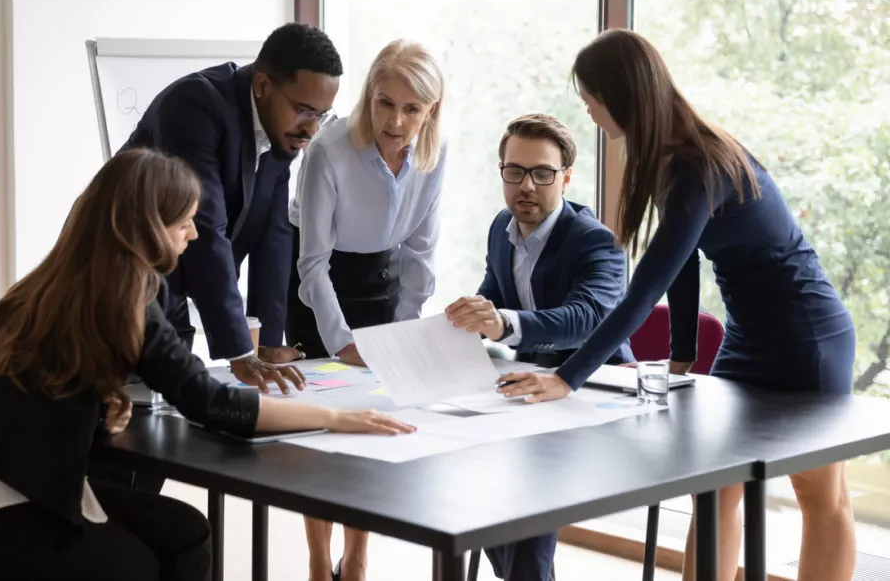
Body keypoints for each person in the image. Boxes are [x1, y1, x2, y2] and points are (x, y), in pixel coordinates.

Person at [0, 149, 415, 581]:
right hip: (5, 520)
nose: (193, 235)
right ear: (147, 228)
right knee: (146, 565)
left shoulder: (49, 284)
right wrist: (334, 417)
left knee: (187, 534)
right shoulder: (124, 299)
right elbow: (213, 403)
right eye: (183, 223)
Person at [497, 29, 857, 581]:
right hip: (750, 335)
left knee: (820, 493)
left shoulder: (698, 165)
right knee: (716, 489)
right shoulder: (670, 161)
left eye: (591, 98)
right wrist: (683, 354)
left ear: (620, 96)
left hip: (807, 335)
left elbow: (642, 291)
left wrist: (566, 379)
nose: (589, 111)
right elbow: (685, 263)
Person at [444, 113, 633, 581]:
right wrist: (461, 321)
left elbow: (585, 320)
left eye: (542, 173)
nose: (526, 185)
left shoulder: (597, 242)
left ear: (565, 177)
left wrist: (501, 322)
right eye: (514, 171)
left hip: (596, 392)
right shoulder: (501, 229)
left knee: (526, 477)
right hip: (530, 392)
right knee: (464, 465)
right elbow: (494, 297)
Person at [286, 39, 446, 581]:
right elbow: (312, 263)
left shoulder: (435, 153)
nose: (395, 121)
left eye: (411, 109)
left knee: (374, 424)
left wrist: (400, 337)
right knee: (322, 435)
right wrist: (341, 341)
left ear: (431, 111)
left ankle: (356, 559)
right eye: (385, 103)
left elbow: (421, 253)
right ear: (368, 96)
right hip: (320, 293)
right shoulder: (329, 150)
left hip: (385, 284)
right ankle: (315, 560)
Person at [121, 22, 344, 392]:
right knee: (124, 417)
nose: (311, 129)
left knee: (171, 416)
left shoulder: (280, 131)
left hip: (172, 300)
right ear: (262, 85)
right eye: (305, 110)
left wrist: (269, 343)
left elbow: (274, 232)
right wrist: (242, 352)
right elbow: (205, 230)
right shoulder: (196, 106)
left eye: (321, 115)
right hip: (124, 296)